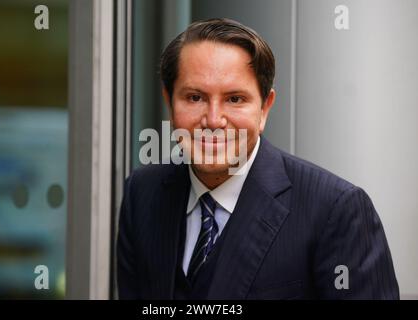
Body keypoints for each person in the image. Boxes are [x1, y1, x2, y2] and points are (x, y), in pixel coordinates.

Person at [117, 18, 399, 299]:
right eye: (195, 97)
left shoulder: (337, 211)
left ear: (264, 108)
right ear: (169, 102)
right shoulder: (142, 194)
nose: (214, 120)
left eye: (235, 99)